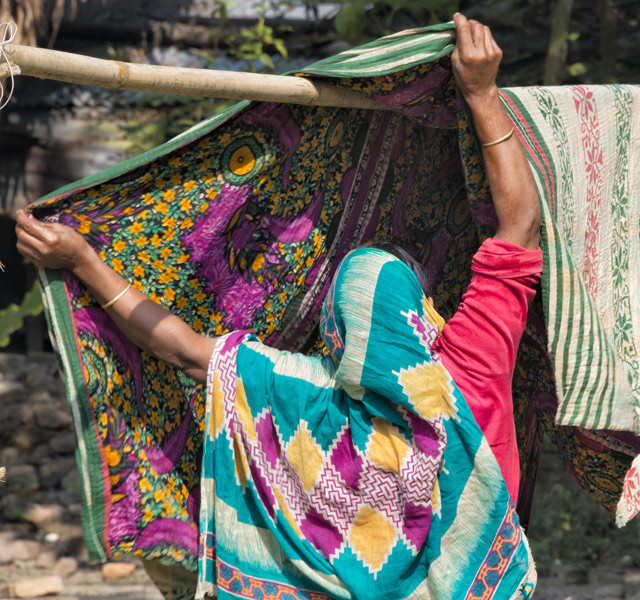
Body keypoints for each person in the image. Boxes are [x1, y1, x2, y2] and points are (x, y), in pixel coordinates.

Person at [16, 13, 541, 599]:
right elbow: (518, 226)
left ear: (340, 342)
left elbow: (183, 350)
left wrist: (84, 259)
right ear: (420, 322)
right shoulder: (470, 369)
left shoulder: (309, 402)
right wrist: (482, 92)